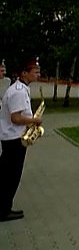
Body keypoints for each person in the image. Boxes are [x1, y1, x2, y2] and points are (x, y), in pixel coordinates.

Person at [0, 58, 42, 222]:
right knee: (10, 177)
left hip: (14, 138)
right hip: (13, 139)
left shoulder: (22, 88)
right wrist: (34, 121)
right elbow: (16, 118)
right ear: (24, 73)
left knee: (9, 175)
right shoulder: (18, 91)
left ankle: (5, 207)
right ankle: (3, 210)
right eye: (35, 71)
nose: (38, 74)